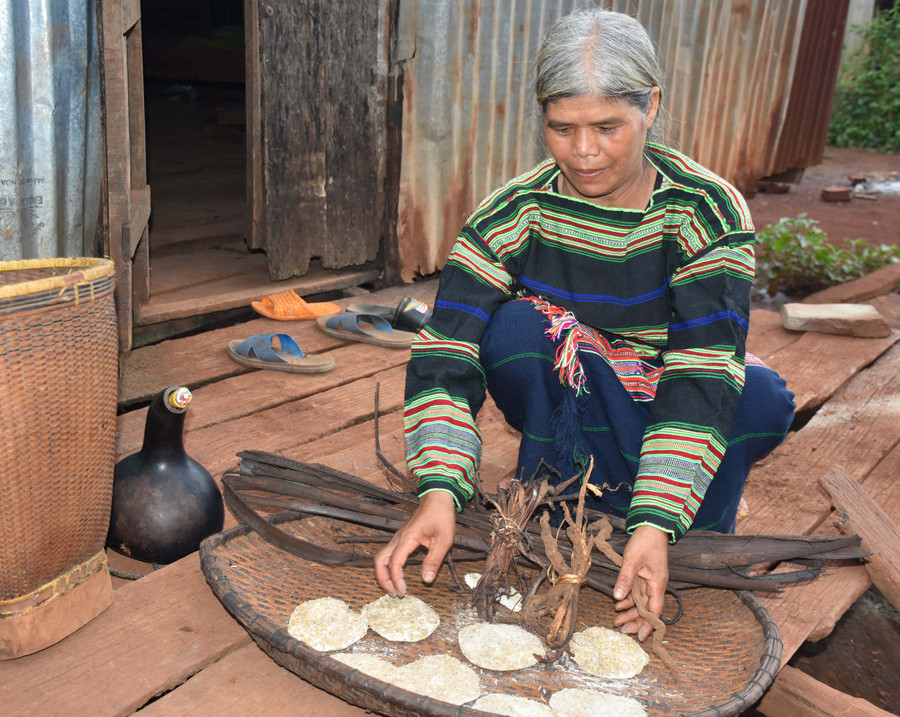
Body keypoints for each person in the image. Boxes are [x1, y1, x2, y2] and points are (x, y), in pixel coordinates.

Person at [374, 8, 794, 641]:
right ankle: (563, 493)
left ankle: (650, 515)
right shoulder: (514, 213)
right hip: (575, 388)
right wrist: (439, 489)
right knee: (513, 333)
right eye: (562, 128)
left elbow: (703, 369)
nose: (584, 152)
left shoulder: (705, 212)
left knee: (759, 400)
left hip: (666, 389)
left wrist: (654, 524)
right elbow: (446, 351)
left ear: (650, 106)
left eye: (608, 126)